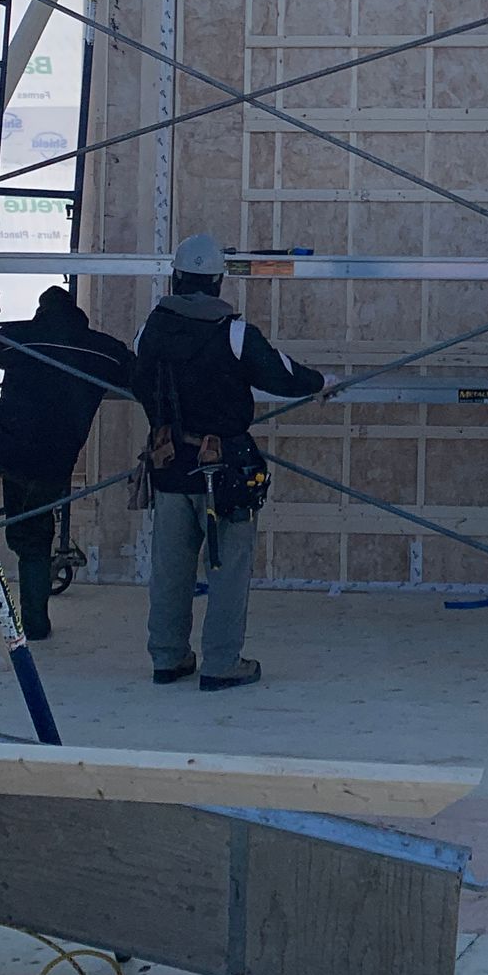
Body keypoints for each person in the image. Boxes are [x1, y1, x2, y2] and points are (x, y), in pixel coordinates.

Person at [132, 232, 327, 690]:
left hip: (169, 465)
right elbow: (286, 376)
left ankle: (168, 657)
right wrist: (320, 382)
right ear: (218, 281)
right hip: (224, 472)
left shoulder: (150, 331)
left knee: (170, 568)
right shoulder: (235, 333)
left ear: (176, 278)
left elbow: (139, 382)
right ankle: (221, 664)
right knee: (226, 570)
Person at [0, 285, 134, 641]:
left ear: (41, 312)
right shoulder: (104, 349)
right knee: (35, 541)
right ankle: (36, 626)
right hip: (54, 464)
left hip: (6, 449)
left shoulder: (24, 336)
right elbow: (141, 378)